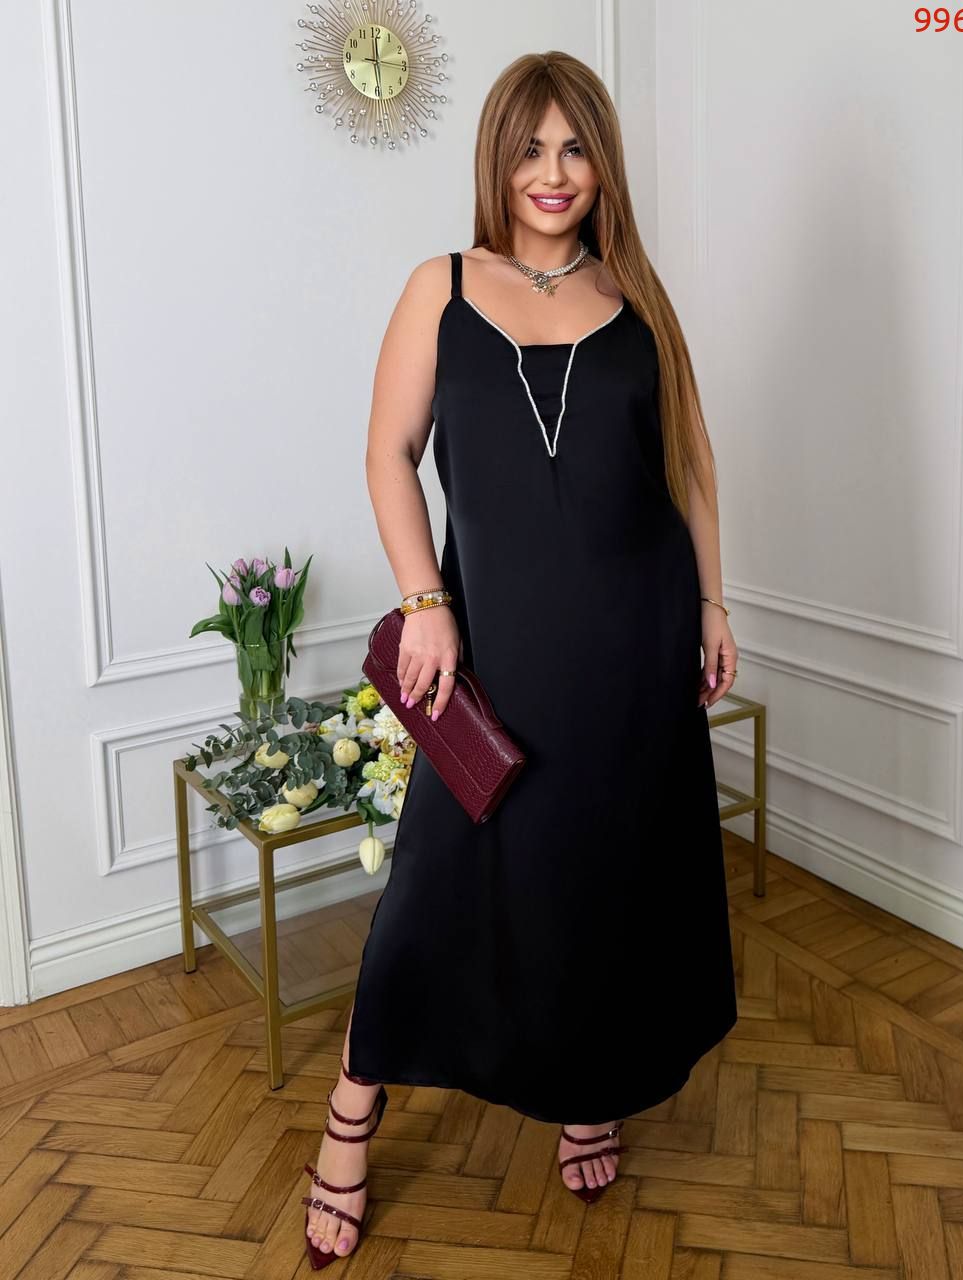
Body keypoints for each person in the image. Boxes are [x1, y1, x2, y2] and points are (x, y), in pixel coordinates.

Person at [301, 50, 739, 1267]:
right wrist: (424, 602)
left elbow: (691, 463)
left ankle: (590, 1086)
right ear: (496, 158)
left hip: (636, 642)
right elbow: (389, 454)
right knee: (437, 882)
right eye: (531, 147)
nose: (554, 172)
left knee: (605, 872)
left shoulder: (637, 298)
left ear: (604, 164)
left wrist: (713, 602)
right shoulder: (440, 287)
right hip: (494, 645)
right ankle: (350, 1112)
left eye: (576, 147)